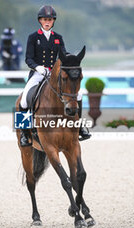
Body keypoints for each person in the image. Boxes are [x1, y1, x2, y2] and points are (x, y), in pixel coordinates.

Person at [19, 5, 91, 147]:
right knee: (23, 101)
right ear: (40, 20)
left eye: (50, 20)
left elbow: (63, 55)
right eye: (45, 19)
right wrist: (38, 67)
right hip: (38, 74)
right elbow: (28, 58)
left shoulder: (58, 38)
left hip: (54, 75)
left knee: (79, 95)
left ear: (53, 21)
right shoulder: (33, 37)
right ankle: (24, 133)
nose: (47, 22)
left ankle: (79, 127)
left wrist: (71, 60)